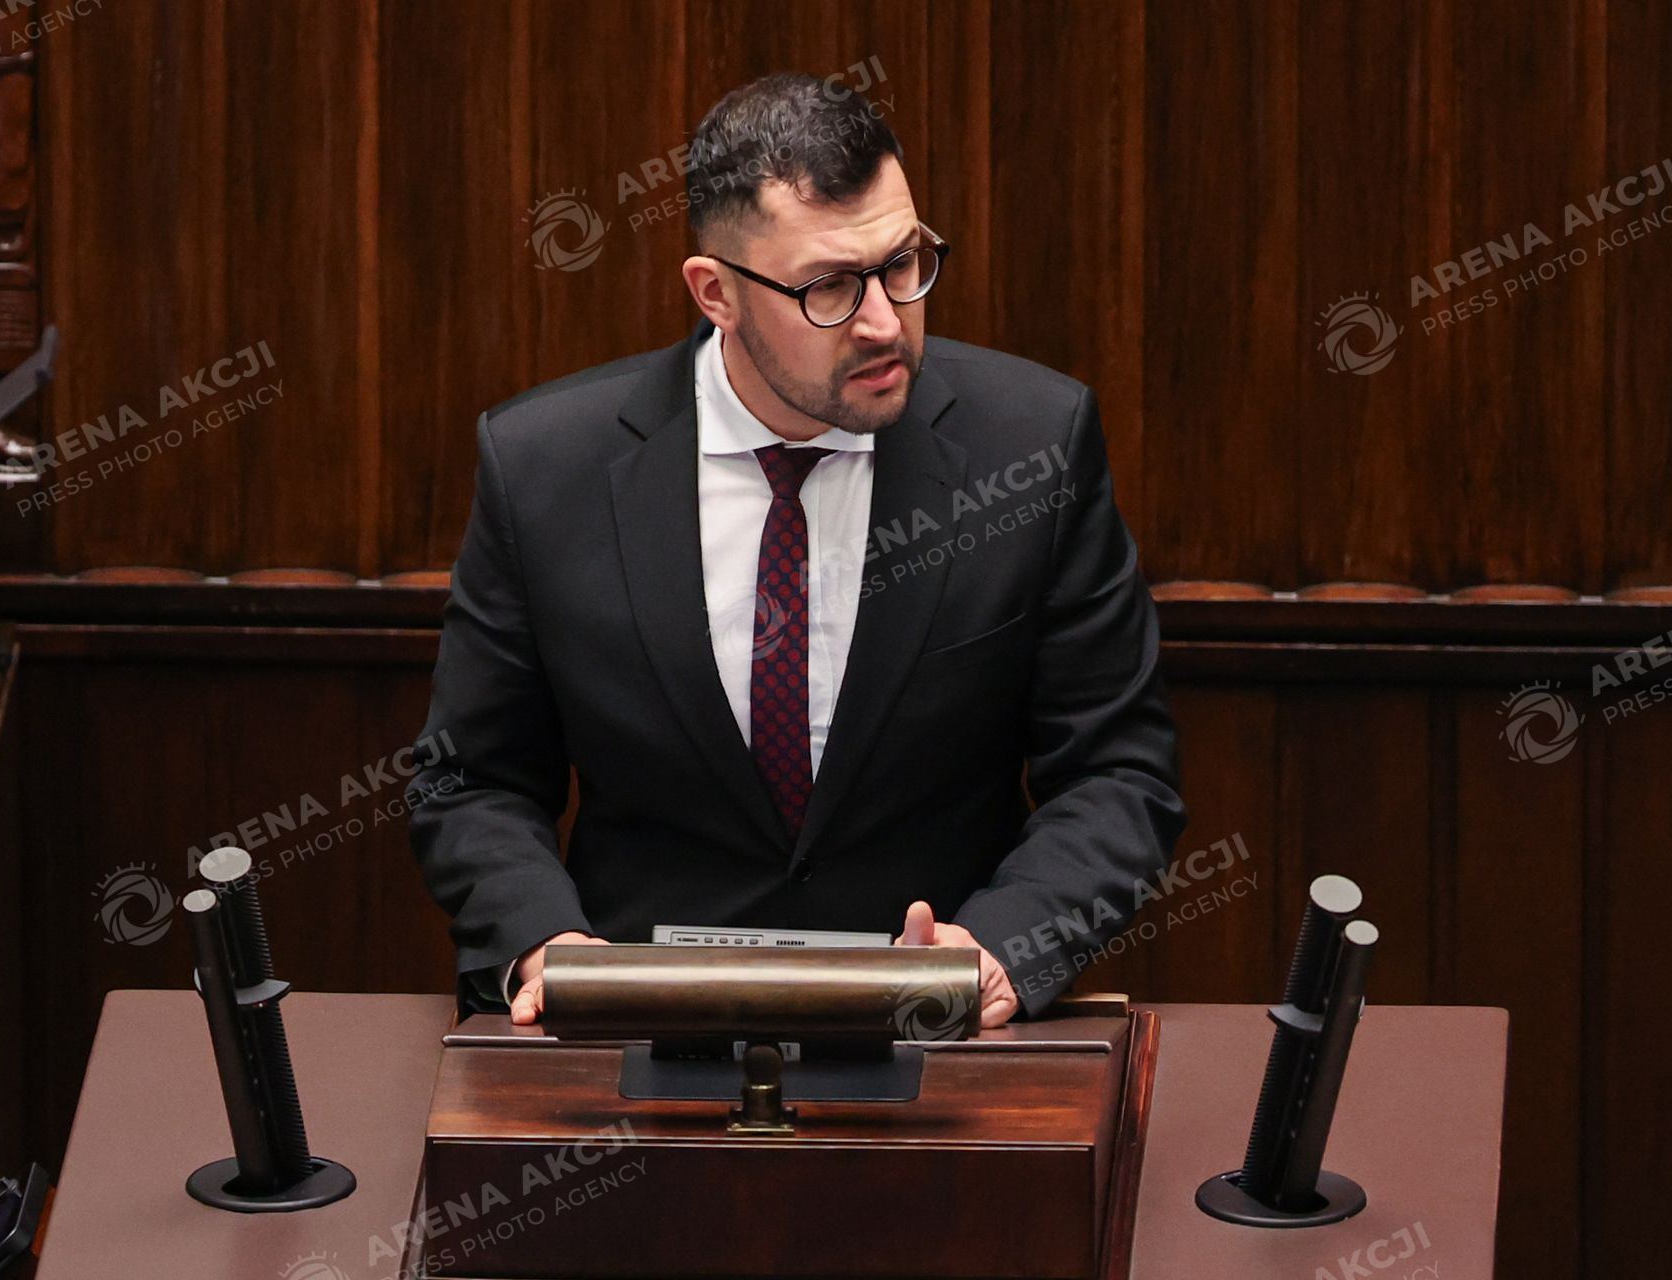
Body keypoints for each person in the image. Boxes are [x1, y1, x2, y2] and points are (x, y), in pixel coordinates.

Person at [409, 72, 1185, 1029]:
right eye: (829, 287)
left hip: (941, 1038)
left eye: (903, 264)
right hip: (636, 1037)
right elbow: (471, 780)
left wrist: (1002, 948)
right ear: (717, 293)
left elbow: (1118, 771)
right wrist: (548, 947)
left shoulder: (1032, 447)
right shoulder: (543, 467)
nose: (884, 320)